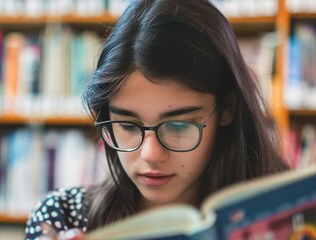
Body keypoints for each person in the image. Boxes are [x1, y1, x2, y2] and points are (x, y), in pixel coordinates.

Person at [24, 0, 289, 239]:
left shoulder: (288, 215)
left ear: (228, 109)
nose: (150, 154)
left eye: (178, 125)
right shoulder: (62, 218)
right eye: (127, 125)